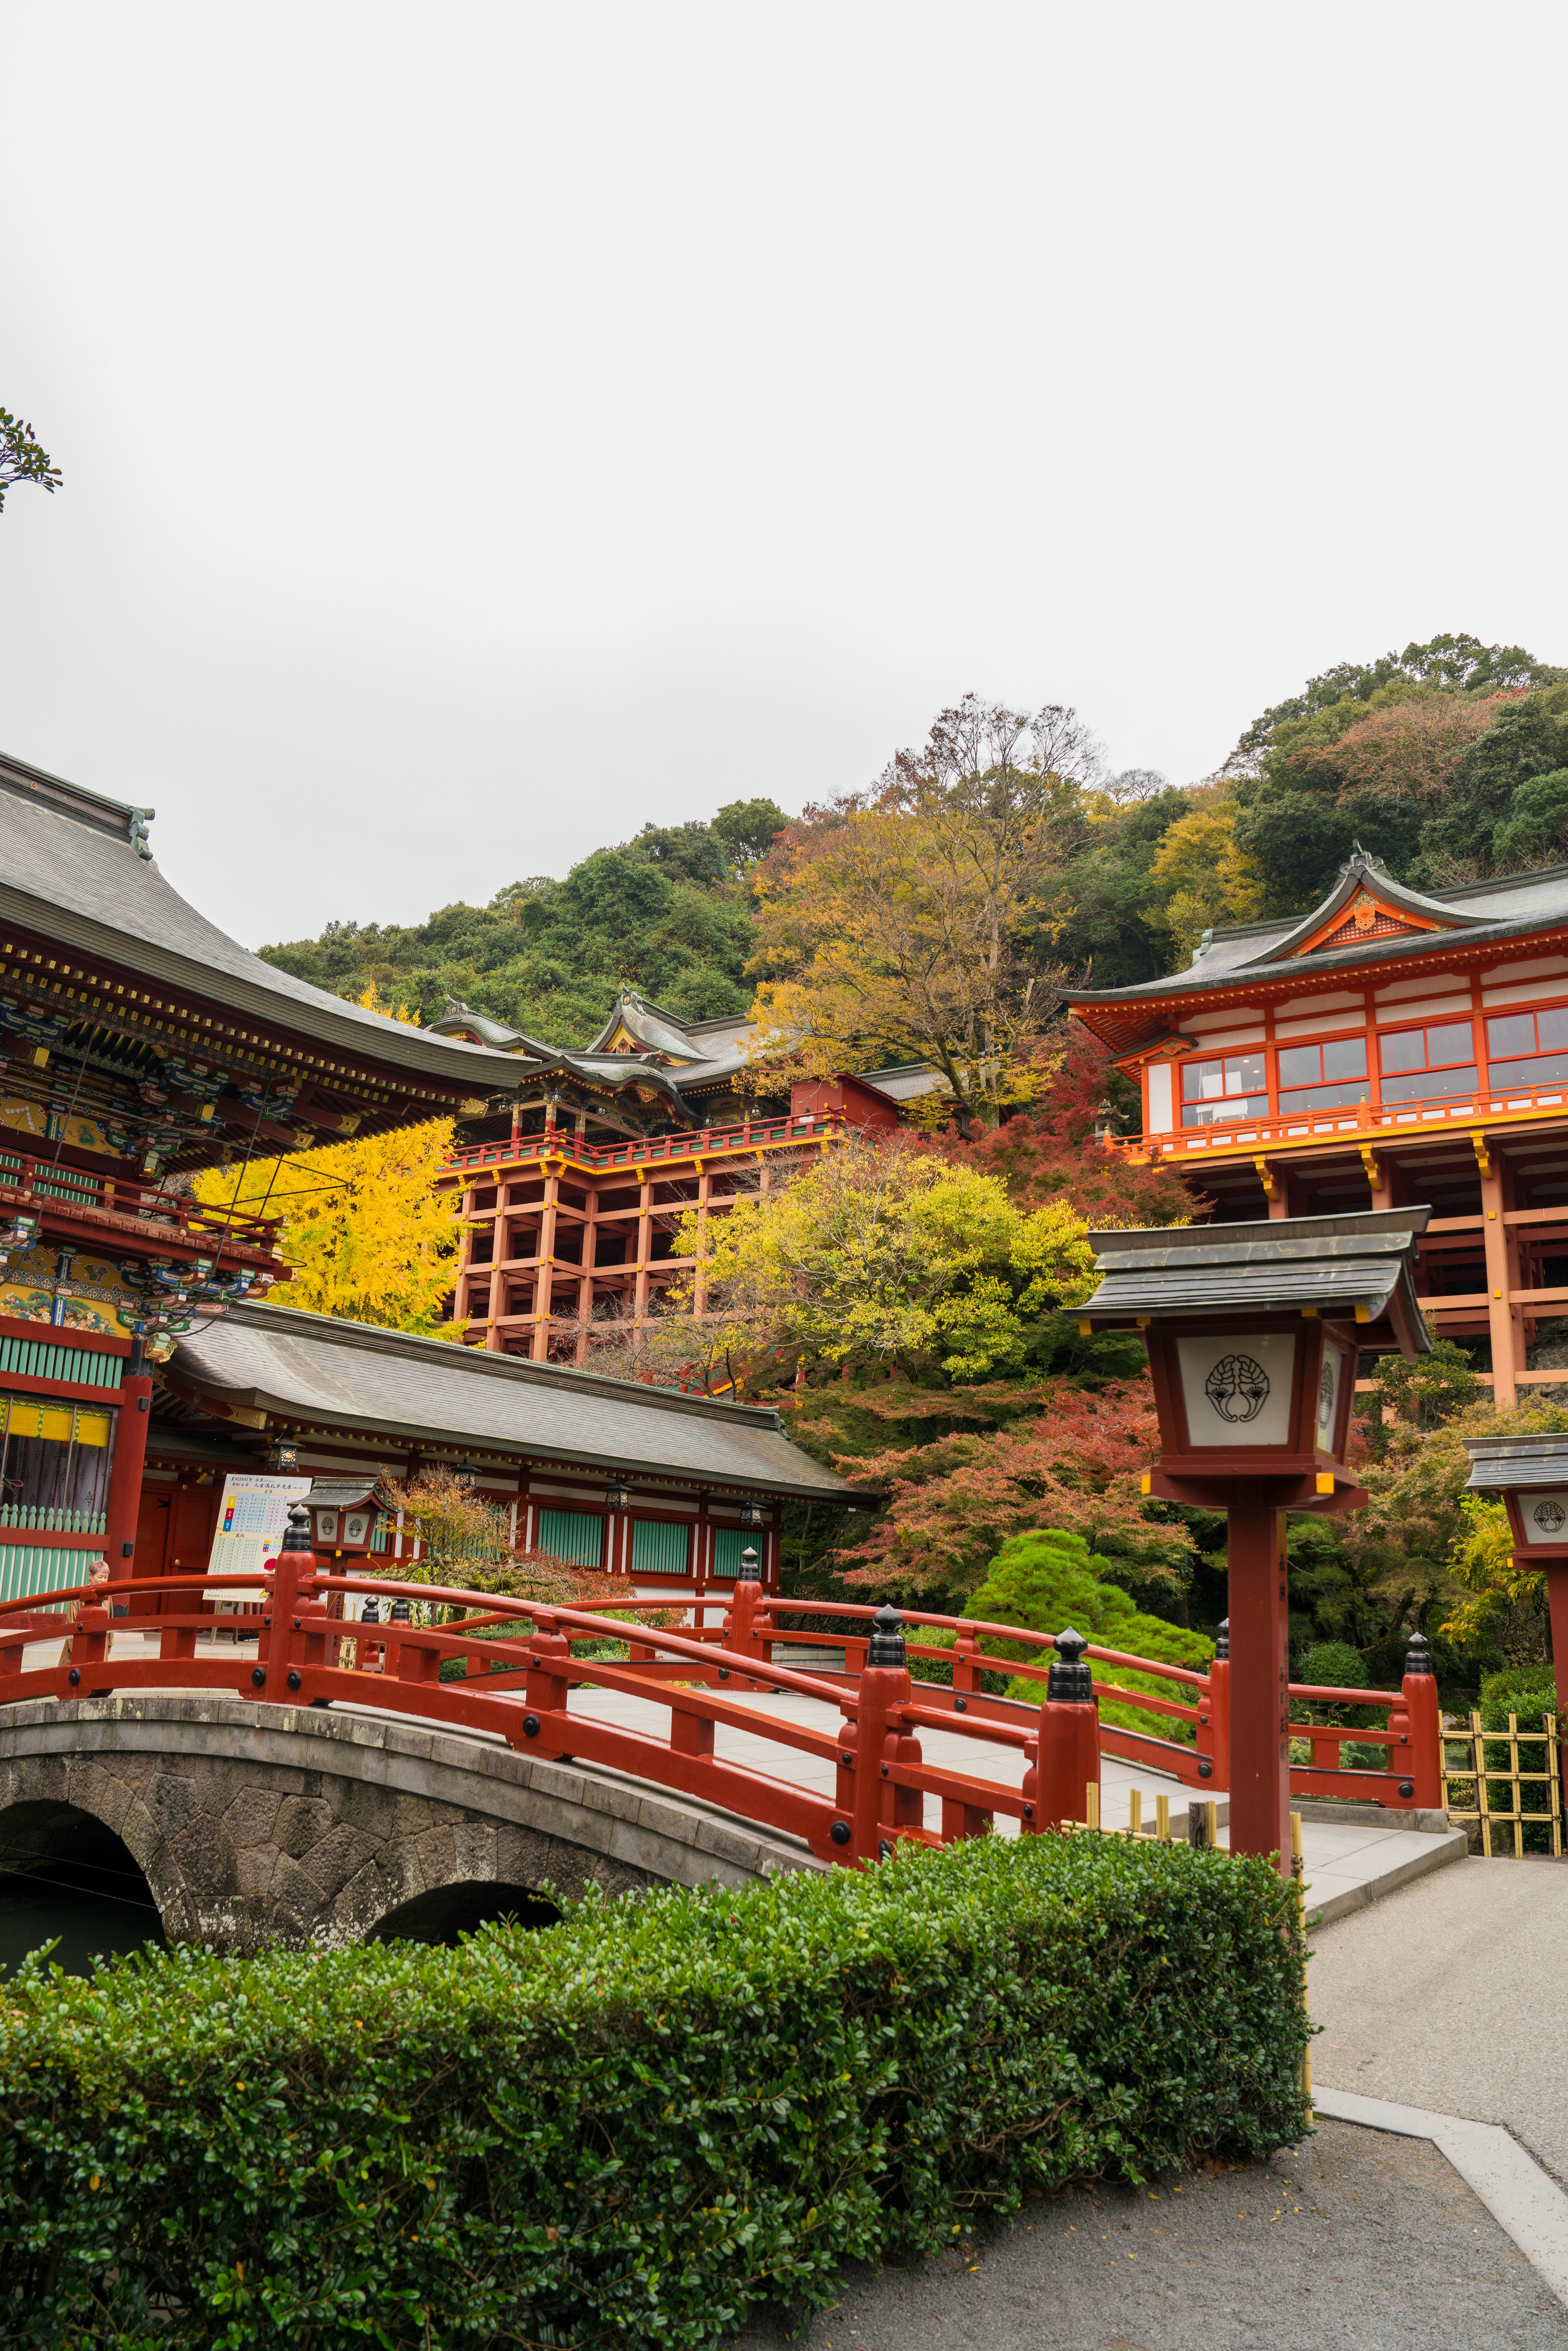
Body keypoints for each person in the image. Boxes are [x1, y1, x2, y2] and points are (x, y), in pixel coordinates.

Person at [58, 1556, 111, 1670]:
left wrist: (110, 1643)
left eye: (106, 1577)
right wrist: (76, 1648)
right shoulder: (79, 1596)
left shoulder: (108, 1595)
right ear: (90, 1576)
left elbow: (110, 1620)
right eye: (100, 1577)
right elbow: (71, 1622)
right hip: (80, 1640)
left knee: (97, 1672)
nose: (103, 1581)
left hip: (100, 1639)